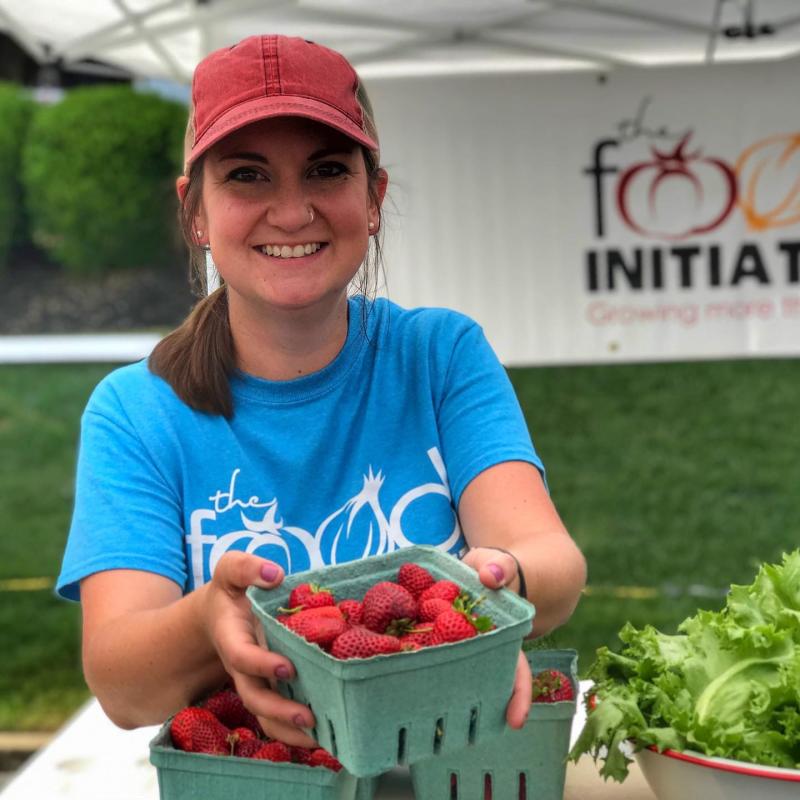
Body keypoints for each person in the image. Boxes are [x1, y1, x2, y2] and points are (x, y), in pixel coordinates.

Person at [57, 34, 586, 747]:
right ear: (196, 213)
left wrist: (492, 584)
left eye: (326, 170)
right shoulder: (137, 411)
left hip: (447, 766)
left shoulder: (440, 354)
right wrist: (210, 615)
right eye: (247, 176)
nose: (292, 211)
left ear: (374, 197)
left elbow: (554, 566)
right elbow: (122, 686)